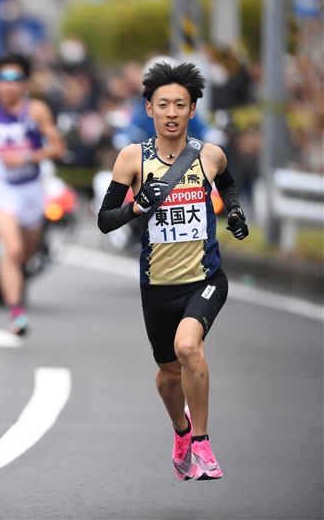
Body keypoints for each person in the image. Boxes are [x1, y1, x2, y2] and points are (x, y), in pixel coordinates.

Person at [97, 61, 249, 481]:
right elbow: (105, 219)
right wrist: (136, 206)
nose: (171, 112)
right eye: (162, 104)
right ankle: (181, 431)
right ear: (149, 109)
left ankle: (201, 441)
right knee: (167, 375)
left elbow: (229, 185)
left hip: (205, 279)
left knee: (188, 349)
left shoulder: (210, 156)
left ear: (192, 110)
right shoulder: (133, 158)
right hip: (157, 286)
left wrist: (234, 213)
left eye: (180, 105)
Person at [0, 53, 65, 335]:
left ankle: (14, 282)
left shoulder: (36, 111)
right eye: (3, 79)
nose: (9, 85)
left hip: (31, 191)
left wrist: (27, 157)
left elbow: (57, 147)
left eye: (16, 79)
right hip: (0, 190)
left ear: (25, 83)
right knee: (11, 250)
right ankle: (17, 314)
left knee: (25, 253)